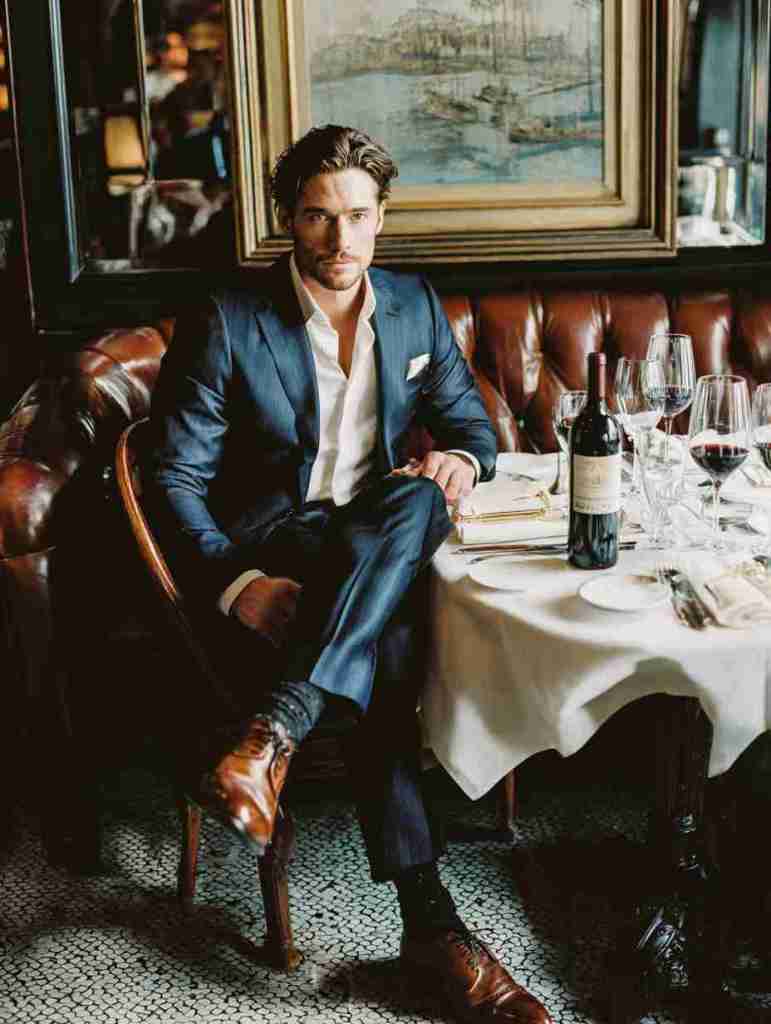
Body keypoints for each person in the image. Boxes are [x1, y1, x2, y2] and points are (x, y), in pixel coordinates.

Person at [148, 124, 552, 1024]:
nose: (340, 243)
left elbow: (471, 431)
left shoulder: (411, 306)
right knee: (392, 642)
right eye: (319, 218)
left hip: (369, 542)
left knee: (414, 501)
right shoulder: (228, 319)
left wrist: (460, 459)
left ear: (382, 218)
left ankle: (272, 736)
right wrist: (233, 585)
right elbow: (173, 476)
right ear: (288, 219)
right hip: (276, 551)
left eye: (358, 218)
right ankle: (435, 934)